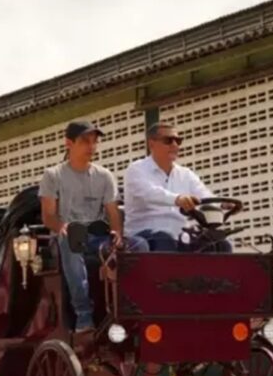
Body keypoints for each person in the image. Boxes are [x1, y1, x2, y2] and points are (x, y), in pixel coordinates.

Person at [39, 120, 148, 333]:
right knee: (72, 237)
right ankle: (83, 315)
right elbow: (48, 216)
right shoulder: (53, 175)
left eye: (95, 142)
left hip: (97, 236)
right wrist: (63, 226)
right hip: (66, 237)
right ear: (68, 143)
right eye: (85, 141)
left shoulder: (104, 176)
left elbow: (113, 212)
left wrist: (117, 233)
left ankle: (130, 308)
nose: (92, 147)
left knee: (140, 244)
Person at [124, 122, 232, 252]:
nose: (174, 145)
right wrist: (178, 199)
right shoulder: (136, 169)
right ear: (151, 144)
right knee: (164, 240)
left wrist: (221, 204)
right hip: (145, 235)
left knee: (220, 244)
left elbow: (204, 195)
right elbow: (149, 193)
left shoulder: (186, 174)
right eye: (168, 140)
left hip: (180, 237)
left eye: (178, 140)